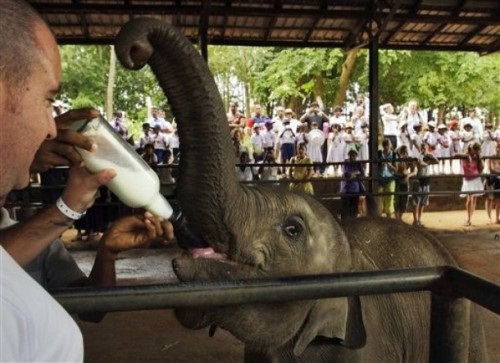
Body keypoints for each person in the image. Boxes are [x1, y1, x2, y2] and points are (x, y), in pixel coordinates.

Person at [0, 2, 173, 361]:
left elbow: (92, 308)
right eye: (48, 100)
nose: (52, 127)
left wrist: (106, 251)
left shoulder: (29, 236)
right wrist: (67, 208)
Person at [456, 142, 484, 226]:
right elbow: (455, 155)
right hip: (467, 179)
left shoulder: (477, 157)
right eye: (475, 150)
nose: (475, 152)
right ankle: (468, 218)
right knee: (469, 199)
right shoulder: (465, 155)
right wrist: (467, 156)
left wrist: (479, 158)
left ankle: (469, 218)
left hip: (475, 178)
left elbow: (481, 169)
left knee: (473, 199)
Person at [411, 143, 439, 227]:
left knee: (423, 201)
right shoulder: (418, 156)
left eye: (425, 148)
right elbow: (419, 163)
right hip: (418, 180)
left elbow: (437, 161)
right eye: (422, 148)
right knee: (416, 201)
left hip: (426, 180)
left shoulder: (428, 156)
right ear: (420, 148)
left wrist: (431, 156)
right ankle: (415, 220)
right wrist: (428, 163)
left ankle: (419, 219)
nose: (424, 149)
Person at [339, 149, 365, 220]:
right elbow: (346, 174)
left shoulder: (358, 163)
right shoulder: (345, 163)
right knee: (345, 209)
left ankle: (352, 224)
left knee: (353, 209)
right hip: (346, 189)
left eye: (354, 156)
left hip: (354, 189)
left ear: (356, 157)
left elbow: (362, 175)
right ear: (348, 156)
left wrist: (352, 174)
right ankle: (345, 224)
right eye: (351, 156)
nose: (352, 157)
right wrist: (356, 173)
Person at [393, 145, 416, 221]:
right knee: (397, 199)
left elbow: (414, 171)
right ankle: (398, 218)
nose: (404, 154)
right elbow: (395, 170)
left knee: (404, 200)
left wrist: (408, 176)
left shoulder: (408, 159)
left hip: (404, 180)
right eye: (403, 152)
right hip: (399, 179)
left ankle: (399, 218)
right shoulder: (396, 158)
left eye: (405, 152)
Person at [377, 139, 397, 218]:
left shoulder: (394, 155)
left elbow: (396, 169)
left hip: (389, 178)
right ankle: (379, 217)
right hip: (380, 178)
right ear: (383, 146)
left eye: (387, 145)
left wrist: (388, 165)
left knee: (389, 199)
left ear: (390, 145)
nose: (386, 147)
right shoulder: (379, 154)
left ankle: (389, 219)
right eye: (385, 145)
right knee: (378, 198)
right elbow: (374, 166)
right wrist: (380, 165)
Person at [484, 142, 500, 224]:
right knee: (489, 199)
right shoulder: (490, 157)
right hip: (491, 179)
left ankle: (497, 218)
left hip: (498, 179)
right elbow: (491, 168)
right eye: (497, 147)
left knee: (498, 200)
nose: (498, 149)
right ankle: (489, 217)